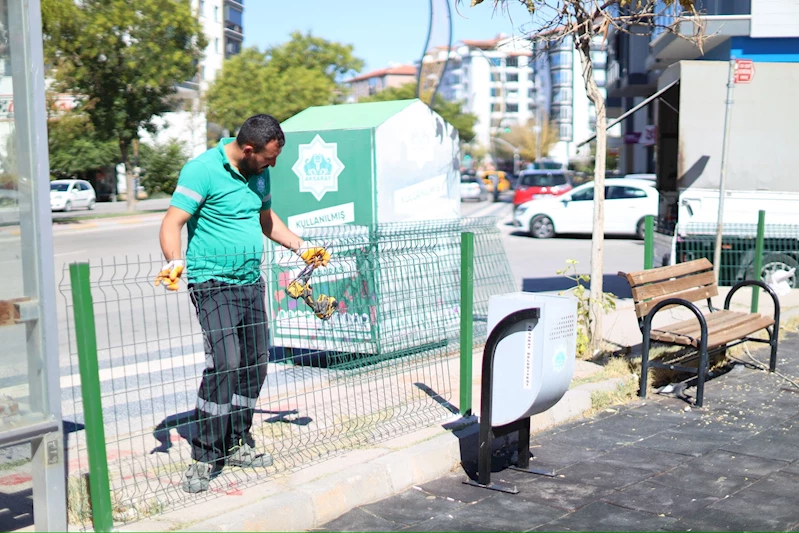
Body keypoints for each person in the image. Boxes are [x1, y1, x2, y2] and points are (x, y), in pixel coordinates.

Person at [156, 114, 330, 494]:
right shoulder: (202, 170)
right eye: (269, 157)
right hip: (212, 283)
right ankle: (205, 456)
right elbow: (172, 222)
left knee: (255, 363)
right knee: (225, 362)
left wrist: (303, 247)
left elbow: (267, 222)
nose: (273, 164)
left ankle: (236, 440)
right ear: (248, 149)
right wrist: (173, 260)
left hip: (250, 281)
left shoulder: (260, 174)